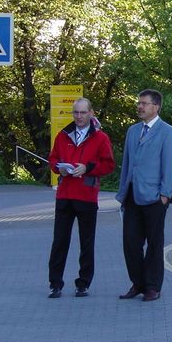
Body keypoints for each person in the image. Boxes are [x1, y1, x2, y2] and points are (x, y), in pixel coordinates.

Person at [47, 97, 115, 298]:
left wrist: (87, 168)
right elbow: (53, 159)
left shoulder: (101, 138)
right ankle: (55, 283)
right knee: (59, 241)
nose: (79, 116)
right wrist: (60, 168)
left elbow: (109, 165)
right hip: (65, 194)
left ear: (91, 113)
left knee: (86, 242)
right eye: (75, 112)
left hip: (86, 195)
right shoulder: (63, 135)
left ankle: (83, 282)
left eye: (83, 112)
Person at [116, 89, 172, 302]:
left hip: (155, 197)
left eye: (144, 103)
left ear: (156, 107)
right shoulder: (133, 131)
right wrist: (122, 192)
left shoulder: (167, 132)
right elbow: (126, 164)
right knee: (130, 242)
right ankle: (138, 282)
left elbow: (170, 165)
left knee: (154, 243)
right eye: (139, 103)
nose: (139, 106)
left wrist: (165, 194)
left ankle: (152, 286)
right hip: (133, 196)